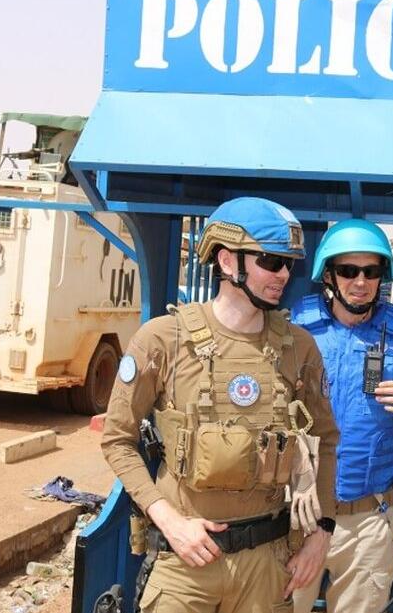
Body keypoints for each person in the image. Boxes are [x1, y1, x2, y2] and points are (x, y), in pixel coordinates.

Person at [101, 197, 340, 613]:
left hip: (267, 565)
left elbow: (326, 441)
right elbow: (117, 440)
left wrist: (321, 533)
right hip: (186, 562)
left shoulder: (299, 347)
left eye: (288, 263)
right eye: (271, 261)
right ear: (228, 261)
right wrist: (168, 520)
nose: (284, 274)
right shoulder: (163, 339)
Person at [290, 220, 393, 613]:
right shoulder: (292, 333)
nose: (360, 282)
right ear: (329, 275)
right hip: (297, 516)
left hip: (368, 521)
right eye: (348, 270)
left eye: (371, 271)